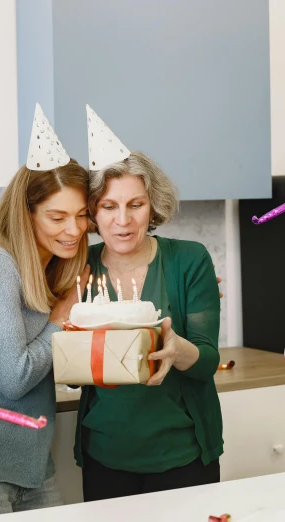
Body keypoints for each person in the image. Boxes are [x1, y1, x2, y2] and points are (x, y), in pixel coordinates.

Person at [75, 106, 223, 501]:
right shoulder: (77, 266)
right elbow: (73, 372)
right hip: (104, 456)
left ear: (152, 205)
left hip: (183, 454)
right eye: (108, 206)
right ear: (92, 212)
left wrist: (176, 351)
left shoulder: (189, 259)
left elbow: (208, 360)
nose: (122, 220)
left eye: (135, 205)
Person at [0, 105, 90, 516]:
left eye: (82, 216)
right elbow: (13, 378)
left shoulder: (51, 271)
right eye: (57, 216)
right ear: (26, 213)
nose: (74, 229)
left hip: (32, 462)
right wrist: (62, 319)